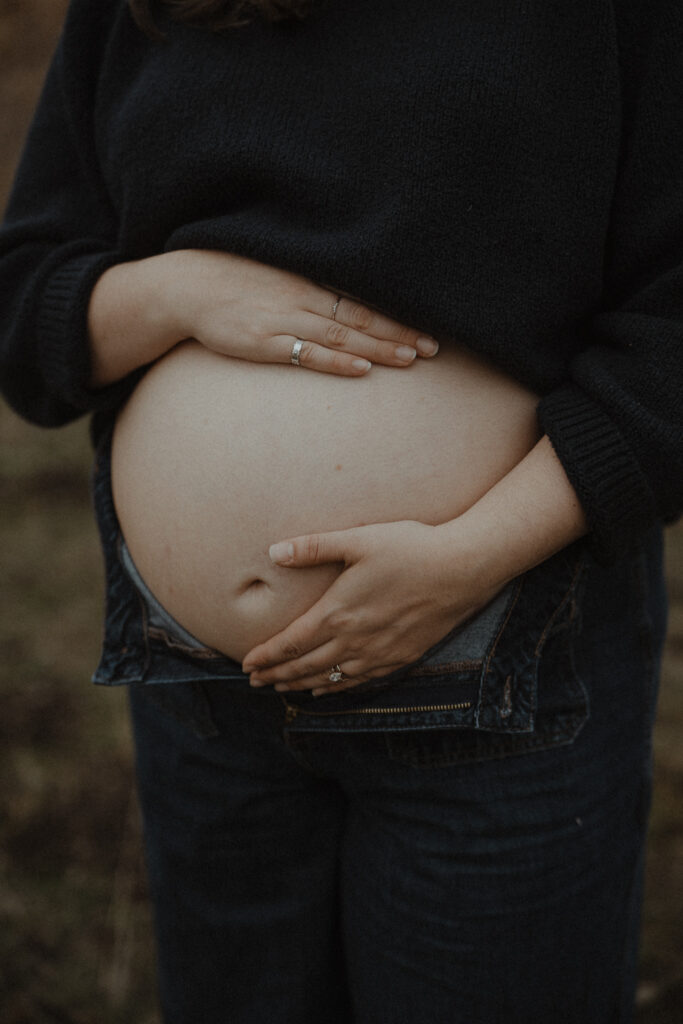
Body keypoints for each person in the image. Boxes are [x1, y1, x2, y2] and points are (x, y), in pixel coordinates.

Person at [0, 0, 681, 1021]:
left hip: (495, 673)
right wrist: (172, 294)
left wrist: (472, 555)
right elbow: (26, 294)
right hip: (201, 697)